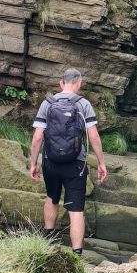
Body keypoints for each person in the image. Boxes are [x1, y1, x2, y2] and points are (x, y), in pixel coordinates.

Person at [29, 68, 108, 254]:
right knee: (76, 209)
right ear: (78, 84)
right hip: (76, 164)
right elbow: (94, 136)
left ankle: (47, 244)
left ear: (61, 83)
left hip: (51, 161)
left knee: (52, 198)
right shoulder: (84, 104)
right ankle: (77, 255)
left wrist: (34, 163)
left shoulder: (47, 103)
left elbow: (37, 137)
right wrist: (101, 162)